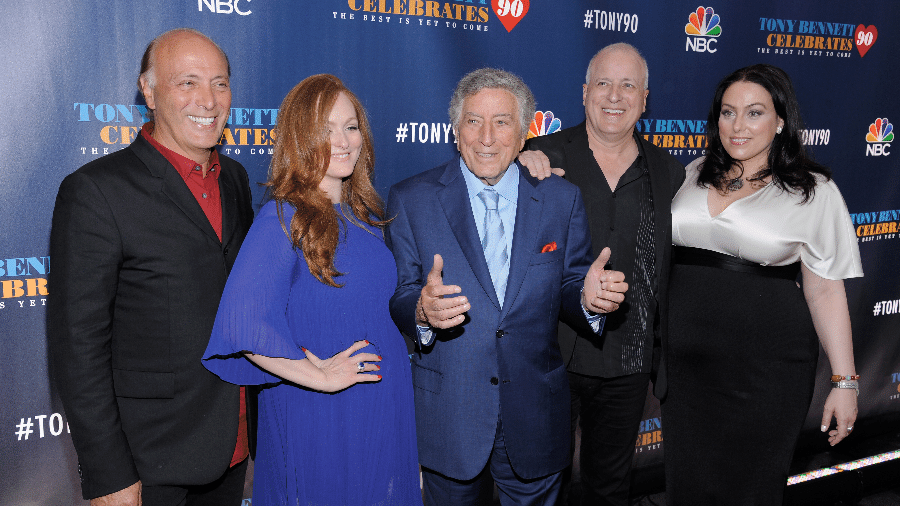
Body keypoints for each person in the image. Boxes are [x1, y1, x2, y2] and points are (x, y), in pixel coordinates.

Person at [385, 68, 629, 506]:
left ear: (523, 136)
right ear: (455, 132)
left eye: (502, 122)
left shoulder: (560, 199)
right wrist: (422, 310)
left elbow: (572, 279)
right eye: (473, 121)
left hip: (535, 411)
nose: (486, 137)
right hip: (450, 414)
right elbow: (402, 293)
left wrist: (589, 300)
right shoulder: (411, 199)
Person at [48, 28, 255, 506]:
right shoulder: (96, 191)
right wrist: (108, 474)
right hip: (147, 466)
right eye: (187, 82)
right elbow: (78, 349)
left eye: (220, 83)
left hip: (233, 448)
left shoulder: (237, 179)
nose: (207, 100)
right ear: (149, 91)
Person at [201, 74, 421, 506]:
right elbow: (242, 325)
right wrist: (318, 376)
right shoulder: (282, 217)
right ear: (300, 138)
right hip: (321, 412)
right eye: (324, 129)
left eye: (351, 126)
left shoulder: (366, 217)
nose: (342, 141)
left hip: (384, 402)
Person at [662, 63, 862, 505]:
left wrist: (845, 382)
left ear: (781, 121)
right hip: (686, 368)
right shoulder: (695, 172)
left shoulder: (814, 191)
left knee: (750, 486)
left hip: (767, 366)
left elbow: (825, 290)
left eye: (754, 113)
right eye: (728, 112)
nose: (737, 125)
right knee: (687, 485)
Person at [521, 43, 685, 506]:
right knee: (540, 484)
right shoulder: (540, 156)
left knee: (609, 489)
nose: (615, 95)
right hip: (548, 353)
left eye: (628, 84)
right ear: (584, 92)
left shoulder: (669, 173)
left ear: (645, 97)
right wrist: (516, 164)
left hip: (627, 361)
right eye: (604, 83)